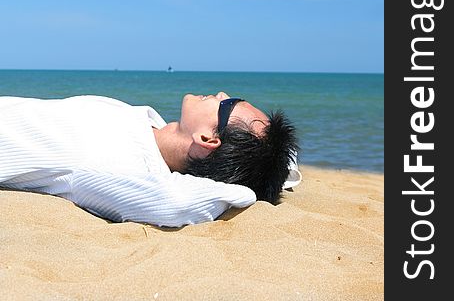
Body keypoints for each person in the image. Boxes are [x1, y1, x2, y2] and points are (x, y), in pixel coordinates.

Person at [0, 91, 301, 228]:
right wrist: (272, 166)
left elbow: (174, 202)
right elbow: (287, 168)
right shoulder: (149, 131)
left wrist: (246, 192)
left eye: (229, 103)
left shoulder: (116, 165)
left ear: (208, 139)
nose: (221, 93)